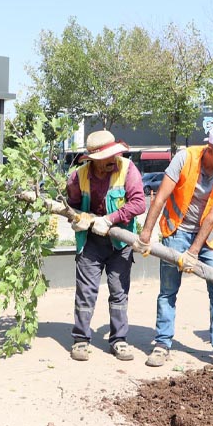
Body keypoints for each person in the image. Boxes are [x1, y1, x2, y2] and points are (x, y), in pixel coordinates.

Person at [132, 124, 213, 367]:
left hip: (210, 236)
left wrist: (194, 251)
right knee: (168, 290)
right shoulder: (185, 158)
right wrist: (146, 234)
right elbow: (160, 197)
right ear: (210, 149)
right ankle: (162, 344)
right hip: (177, 230)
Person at [66, 130, 146, 361]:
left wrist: (110, 219)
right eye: (107, 157)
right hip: (90, 242)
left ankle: (119, 340)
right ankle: (81, 340)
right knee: (86, 292)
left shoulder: (128, 169)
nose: (113, 159)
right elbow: (70, 207)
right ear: (93, 159)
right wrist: (78, 219)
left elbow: (139, 203)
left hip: (120, 242)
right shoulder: (77, 177)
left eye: (114, 155)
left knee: (119, 293)